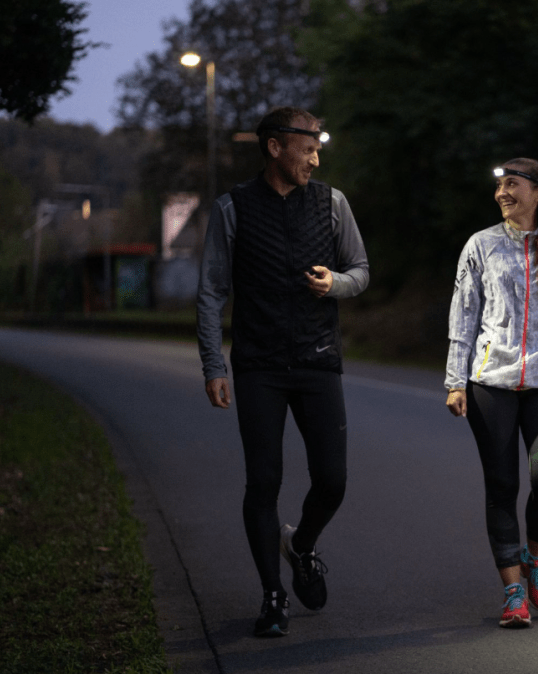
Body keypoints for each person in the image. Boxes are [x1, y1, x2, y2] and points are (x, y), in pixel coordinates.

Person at [196, 106, 369, 638]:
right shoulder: (232, 209)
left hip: (318, 360)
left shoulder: (332, 204)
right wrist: (213, 363)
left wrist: (333, 285)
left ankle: (302, 545)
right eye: (308, 147)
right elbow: (211, 293)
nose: (316, 157)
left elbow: (360, 273)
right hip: (259, 367)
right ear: (275, 147)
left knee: (333, 481)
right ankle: (273, 597)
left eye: (319, 147)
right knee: (263, 483)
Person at [445, 158, 538, 628]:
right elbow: (464, 314)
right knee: (503, 486)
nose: (502, 193)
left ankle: (536, 557)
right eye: (499, 185)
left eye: (512, 184)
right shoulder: (481, 245)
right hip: (491, 385)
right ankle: (513, 593)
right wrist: (455, 379)